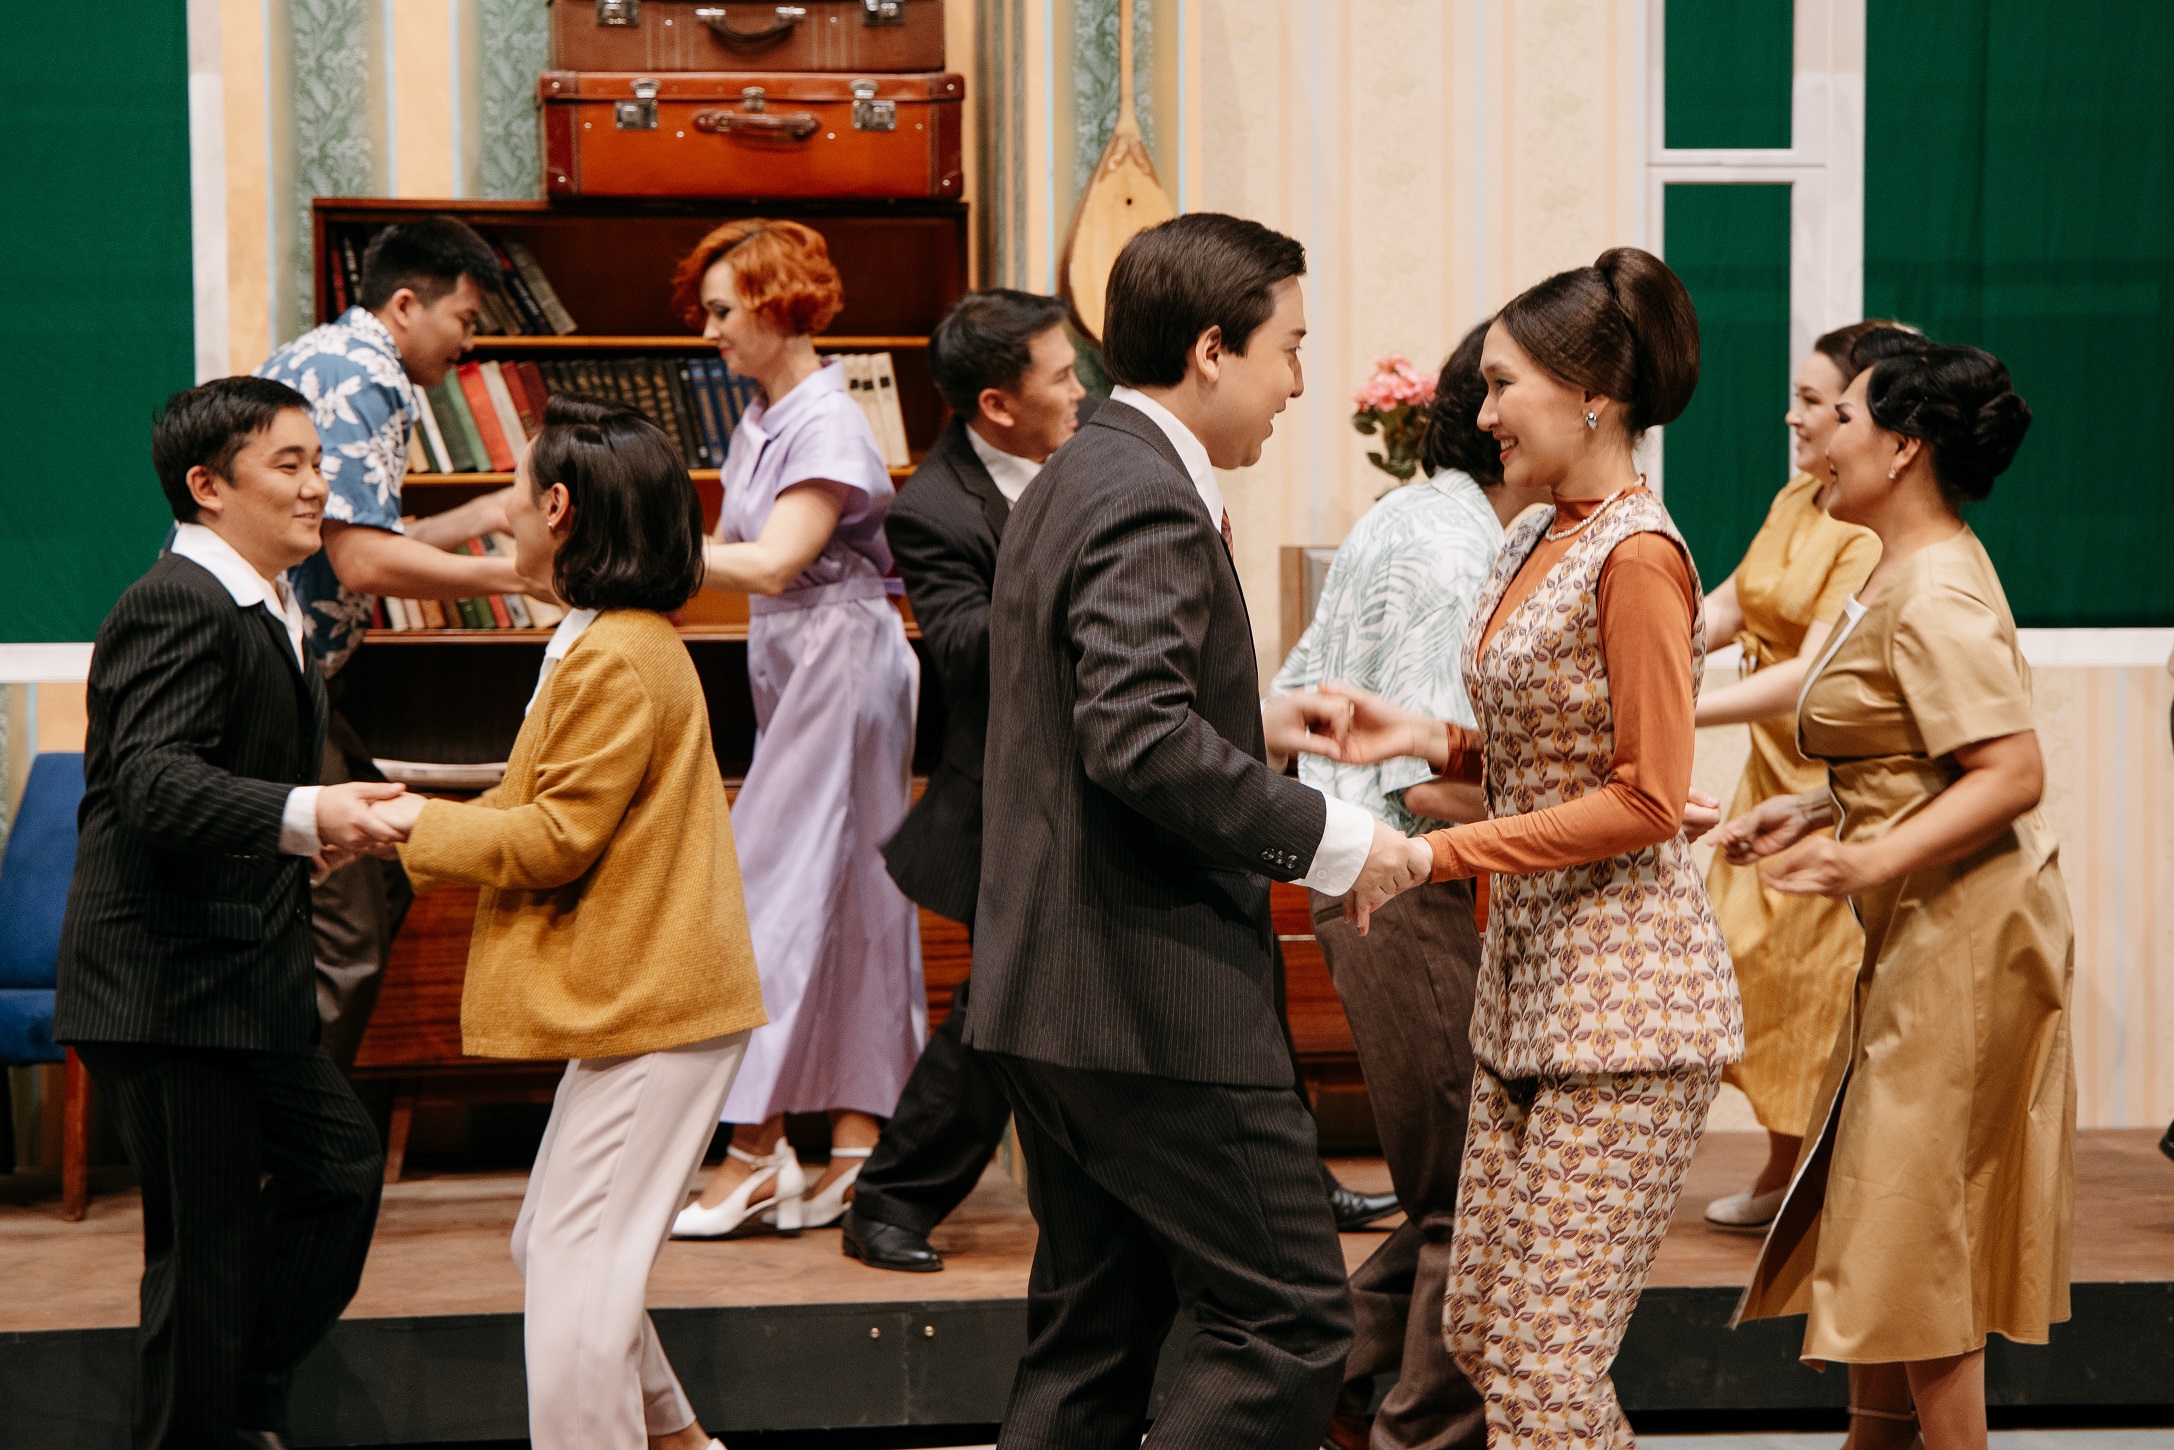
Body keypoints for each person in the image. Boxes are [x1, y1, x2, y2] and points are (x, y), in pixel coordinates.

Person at [966, 213, 1431, 1450]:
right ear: (1213, 350)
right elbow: (1135, 738)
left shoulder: (1081, 469)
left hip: (1049, 986)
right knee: (1285, 1318)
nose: (1297, 384)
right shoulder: (1148, 497)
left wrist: (1252, 719)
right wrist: (1342, 841)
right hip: (1147, 997)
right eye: (1289, 348)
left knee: (1095, 1333)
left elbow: (1089, 711)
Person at [1324, 249, 1743, 1447]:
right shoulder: (1531, 537)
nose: (1482, 411)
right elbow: (1550, 750)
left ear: (1590, 393)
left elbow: (1645, 798)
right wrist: (1425, 736)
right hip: (1527, 996)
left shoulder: (1637, 554)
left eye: (1503, 384)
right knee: (1481, 1335)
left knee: (1546, 1368)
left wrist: (1430, 856)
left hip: (1625, 1012)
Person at [368, 398, 765, 1450]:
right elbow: (531, 807)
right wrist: (402, 819)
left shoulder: (616, 656)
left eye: (514, 489)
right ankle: (679, 1440)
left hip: (654, 1004)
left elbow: (553, 838)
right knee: (556, 1248)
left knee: (577, 1276)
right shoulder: (601, 642)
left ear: (556, 506)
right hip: (643, 1002)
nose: (502, 510)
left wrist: (407, 824)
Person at [1724, 343, 2071, 1450]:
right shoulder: (1892, 568)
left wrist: (1864, 862)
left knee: (1916, 1221)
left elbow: (2009, 773)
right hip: (1924, 923)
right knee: (1881, 1202)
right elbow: (1908, 754)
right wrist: (1815, 813)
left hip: (1964, 936)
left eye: (1843, 418)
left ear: (1903, 446)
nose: (1818, 438)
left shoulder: (1934, 592)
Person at [55, 377, 403, 1447]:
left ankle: (240, 1400)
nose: (317, 485)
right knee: (202, 1257)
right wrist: (305, 811)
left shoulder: (266, 601)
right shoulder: (177, 601)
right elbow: (152, 782)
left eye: (318, 461)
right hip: (167, 984)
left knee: (338, 1173)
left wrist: (313, 826)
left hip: (238, 979)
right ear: (208, 486)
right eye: (288, 465)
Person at [1269, 321, 1551, 1450]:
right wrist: (1610, 811)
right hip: (1398, 882)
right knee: (1472, 1198)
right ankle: (1414, 1432)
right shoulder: (1454, 550)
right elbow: (1425, 781)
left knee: (1463, 1186)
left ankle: (1328, 1392)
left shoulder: (1410, 515)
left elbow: (1298, 693)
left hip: (1365, 879)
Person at [666, 219, 925, 1239]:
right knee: (851, 891)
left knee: (766, 891)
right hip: (801, 657)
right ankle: (859, 1143)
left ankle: (752, 1148)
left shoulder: (827, 421)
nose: (710, 332)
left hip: (840, 658)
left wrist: (637, 545)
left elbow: (773, 561)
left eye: (722, 311)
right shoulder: (763, 417)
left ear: (777, 307)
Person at [842, 288, 1088, 1273]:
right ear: (997, 404)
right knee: (998, 1015)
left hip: (1101, 782)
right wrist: (1078, 573)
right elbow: (965, 647)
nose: (1081, 390)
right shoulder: (933, 508)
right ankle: (887, 1200)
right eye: (1062, 376)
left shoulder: (1088, 451)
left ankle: (1271, 1177)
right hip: (1010, 803)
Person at [254, 214, 532, 1067]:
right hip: (270, 674)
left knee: (377, 870)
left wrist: (482, 516)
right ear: (407, 304)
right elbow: (365, 561)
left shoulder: (336, 355)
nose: (470, 343)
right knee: (350, 931)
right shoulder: (363, 374)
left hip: (294, 672)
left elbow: (361, 537)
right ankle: (293, 1131)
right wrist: (521, 577)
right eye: (466, 319)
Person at [1695, 322, 1888, 1231]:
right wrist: (1644, 646)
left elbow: (1810, 673)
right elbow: (1734, 603)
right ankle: (1792, 1166)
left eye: (1815, 402)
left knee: (1811, 986)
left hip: (1826, 785)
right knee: (1745, 968)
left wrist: (1674, 710)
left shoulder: (1865, 531)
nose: (1794, 416)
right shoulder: (1795, 498)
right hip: (1768, 776)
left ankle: (1813, 1178)